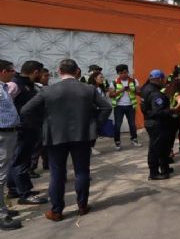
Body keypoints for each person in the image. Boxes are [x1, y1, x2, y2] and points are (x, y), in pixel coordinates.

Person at [21, 59, 112, 222]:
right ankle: (82, 206)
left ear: (59, 71)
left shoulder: (48, 91)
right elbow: (106, 107)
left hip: (55, 136)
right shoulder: (88, 89)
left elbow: (26, 110)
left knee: (57, 174)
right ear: (77, 71)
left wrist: (42, 125)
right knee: (82, 171)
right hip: (82, 136)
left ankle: (56, 211)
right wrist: (94, 125)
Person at [6, 60, 48, 205]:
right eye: (42, 72)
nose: (43, 75)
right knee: (21, 162)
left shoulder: (29, 85)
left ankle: (14, 189)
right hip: (22, 129)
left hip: (30, 128)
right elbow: (5, 104)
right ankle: (25, 193)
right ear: (36, 72)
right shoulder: (15, 84)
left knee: (17, 160)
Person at [140, 69, 177, 180]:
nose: (164, 81)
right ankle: (154, 173)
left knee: (162, 147)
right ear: (159, 79)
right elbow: (158, 111)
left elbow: (145, 108)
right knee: (156, 148)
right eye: (163, 79)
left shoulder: (146, 88)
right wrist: (172, 110)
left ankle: (164, 168)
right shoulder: (156, 93)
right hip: (157, 124)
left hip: (151, 122)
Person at [0, 59, 22, 230]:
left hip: (9, 134)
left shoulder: (4, 88)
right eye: (11, 70)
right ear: (2, 72)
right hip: (2, 135)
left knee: (4, 174)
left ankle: (3, 208)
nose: (14, 73)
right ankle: (1, 215)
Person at [108, 64, 141, 151]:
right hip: (119, 107)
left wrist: (132, 89)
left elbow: (139, 92)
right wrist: (120, 90)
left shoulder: (134, 81)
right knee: (117, 125)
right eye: (121, 73)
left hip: (131, 106)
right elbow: (111, 95)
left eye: (126, 72)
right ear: (118, 73)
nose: (124, 74)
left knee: (132, 124)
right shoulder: (114, 82)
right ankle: (117, 143)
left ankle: (134, 140)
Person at [88, 71, 107, 156]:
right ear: (95, 78)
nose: (102, 79)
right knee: (93, 130)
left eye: (103, 77)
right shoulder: (91, 88)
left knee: (96, 130)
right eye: (101, 77)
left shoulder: (100, 88)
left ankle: (91, 147)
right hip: (93, 112)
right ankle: (90, 147)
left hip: (100, 112)